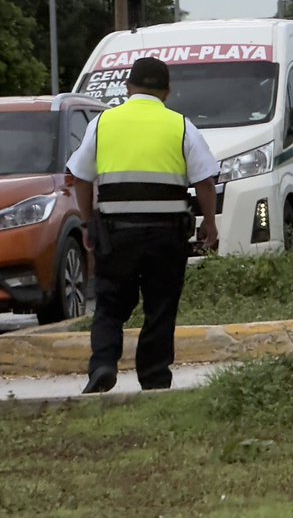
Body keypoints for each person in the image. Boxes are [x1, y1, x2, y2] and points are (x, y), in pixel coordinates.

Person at [67, 57, 219, 394]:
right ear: (167, 91)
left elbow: (79, 177)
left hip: (116, 234)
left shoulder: (103, 123)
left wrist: (89, 223)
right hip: (166, 236)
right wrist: (209, 224)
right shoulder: (180, 125)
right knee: (160, 307)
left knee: (109, 304)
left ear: (128, 87)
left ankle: (103, 365)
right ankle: (154, 379)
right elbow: (205, 181)